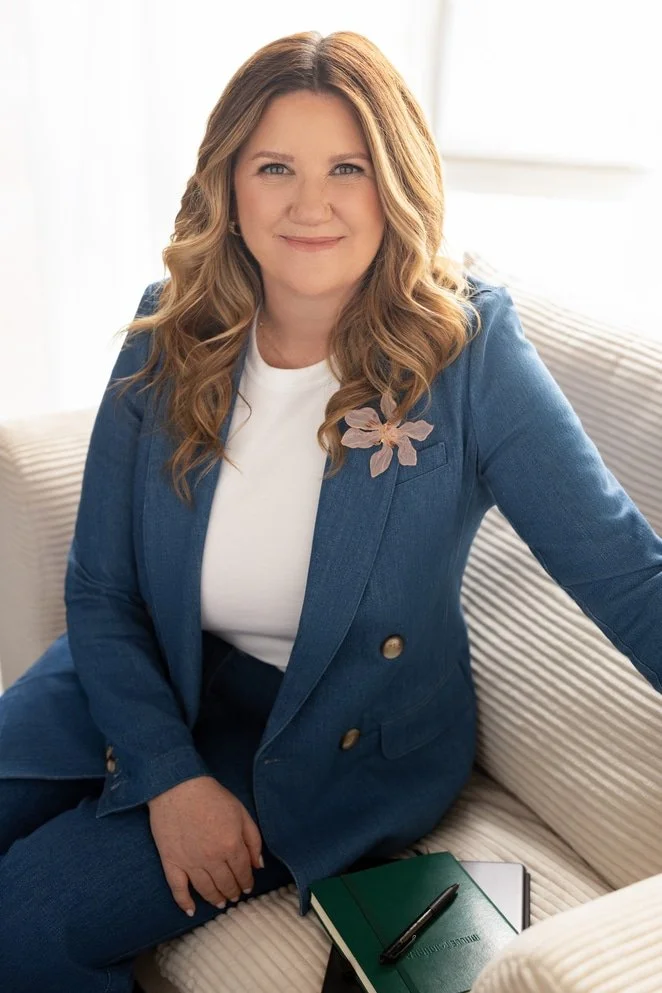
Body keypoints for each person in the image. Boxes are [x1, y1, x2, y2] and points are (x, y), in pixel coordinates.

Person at [1, 27, 661, 993]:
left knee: (28, 921)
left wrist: (200, 782)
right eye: (276, 167)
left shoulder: (470, 353)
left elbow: (626, 569)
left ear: (394, 181)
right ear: (230, 184)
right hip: (156, 670)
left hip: (332, 733)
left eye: (347, 166)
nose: (311, 204)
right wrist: (167, 771)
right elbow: (102, 587)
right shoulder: (169, 333)